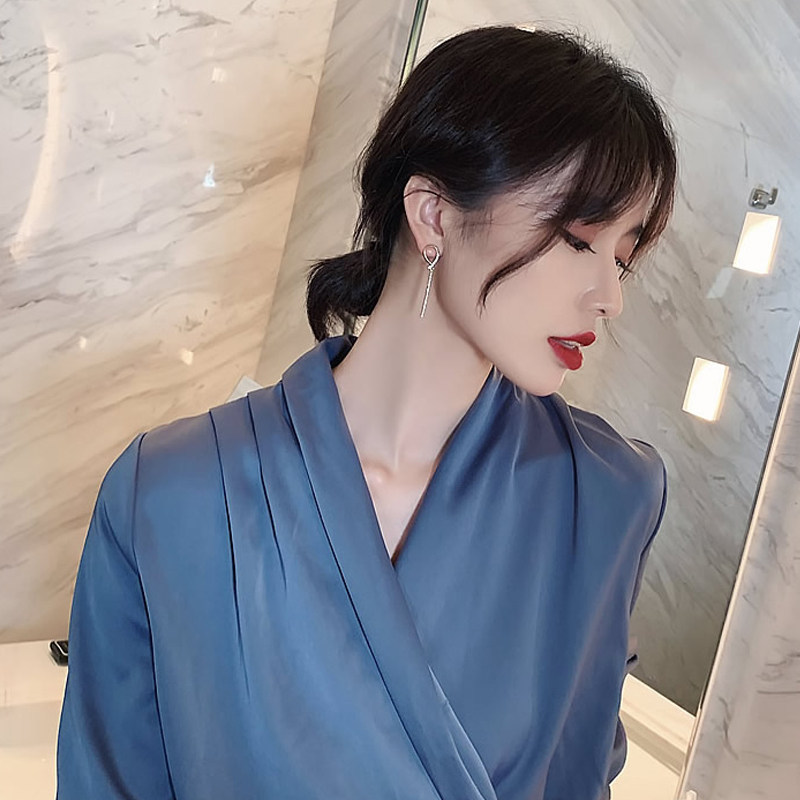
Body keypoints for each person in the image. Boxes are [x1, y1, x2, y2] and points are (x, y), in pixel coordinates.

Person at [56, 25, 676, 800]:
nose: (609, 296)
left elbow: (578, 774)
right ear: (434, 214)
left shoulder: (608, 496)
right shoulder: (170, 493)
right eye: (580, 241)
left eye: (623, 258)